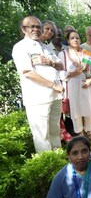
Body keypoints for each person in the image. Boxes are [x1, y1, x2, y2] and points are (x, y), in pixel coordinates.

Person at [12, 16, 64, 152]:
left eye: (38, 27)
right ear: (24, 29)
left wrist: (50, 62)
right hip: (38, 97)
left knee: (54, 130)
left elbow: (61, 65)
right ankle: (47, 165)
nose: (36, 29)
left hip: (55, 95)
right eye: (32, 26)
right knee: (42, 135)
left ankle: (58, 160)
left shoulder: (46, 47)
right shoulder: (20, 47)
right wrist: (53, 85)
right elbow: (28, 72)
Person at [58, 30, 91, 142]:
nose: (75, 40)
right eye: (72, 38)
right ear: (68, 40)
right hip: (73, 85)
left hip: (87, 84)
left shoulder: (86, 52)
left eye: (77, 38)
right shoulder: (63, 54)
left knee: (88, 108)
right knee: (76, 110)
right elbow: (60, 73)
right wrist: (73, 73)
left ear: (80, 40)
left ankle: (89, 132)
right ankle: (80, 133)